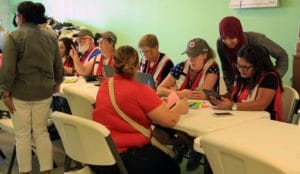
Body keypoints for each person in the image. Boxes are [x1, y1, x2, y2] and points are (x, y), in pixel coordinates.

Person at [92, 45, 188, 174]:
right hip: (123, 159)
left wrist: (157, 104)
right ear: (138, 66)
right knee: (172, 168)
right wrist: (179, 107)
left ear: (114, 65)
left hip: (101, 154)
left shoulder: (105, 84)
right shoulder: (141, 90)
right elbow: (170, 120)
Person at [0, 1, 64, 174]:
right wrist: (57, 82)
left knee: (22, 136)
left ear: (21, 16)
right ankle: (46, 171)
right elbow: (58, 65)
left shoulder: (14, 36)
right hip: (44, 93)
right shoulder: (51, 36)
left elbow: (8, 70)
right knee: (42, 133)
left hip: (21, 94)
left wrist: (4, 93)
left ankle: (25, 172)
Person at [157, 38, 219, 171]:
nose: (191, 59)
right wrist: (179, 94)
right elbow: (159, 89)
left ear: (204, 55)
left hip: (203, 114)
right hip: (184, 110)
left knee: (178, 123)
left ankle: (192, 148)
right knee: (165, 124)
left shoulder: (212, 68)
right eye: (189, 55)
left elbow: (203, 96)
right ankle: (186, 145)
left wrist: (174, 92)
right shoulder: (181, 66)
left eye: (195, 55)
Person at [211, 44, 283, 121]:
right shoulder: (243, 75)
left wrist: (232, 106)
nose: (240, 70)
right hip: (242, 117)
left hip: (263, 121)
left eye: (245, 67)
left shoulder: (270, 77)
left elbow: (261, 104)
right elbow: (233, 95)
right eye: (238, 66)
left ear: (257, 66)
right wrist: (217, 98)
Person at [217, 16, 288, 93]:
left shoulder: (257, 40)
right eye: (224, 38)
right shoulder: (221, 44)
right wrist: (232, 90)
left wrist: (274, 79)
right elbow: (226, 69)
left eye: (232, 37)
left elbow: (282, 55)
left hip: (264, 85)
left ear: (238, 33)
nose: (228, 42)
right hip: (242, 87)